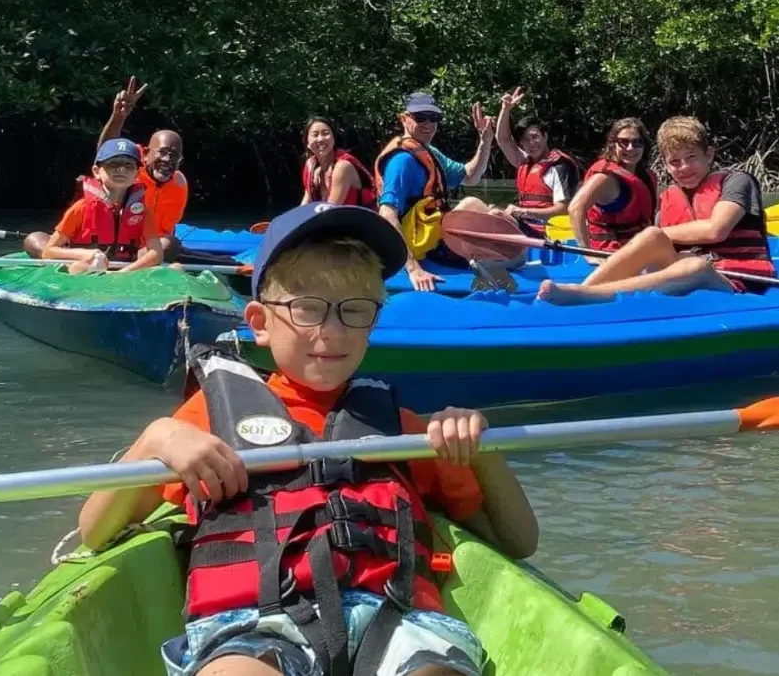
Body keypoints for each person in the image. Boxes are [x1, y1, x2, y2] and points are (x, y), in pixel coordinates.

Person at [78, 202, 538, 676]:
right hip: (252, 626)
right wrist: (155, 439)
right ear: (259, 321)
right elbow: (94, 529)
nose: (332, 331)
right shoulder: (204, 419)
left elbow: (518, 540)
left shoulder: (405, 430)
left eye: (355, 310)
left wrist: (480, 449)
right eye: (308, 309)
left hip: (398, 620)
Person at [538, 116, 776, 304]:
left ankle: (592, 296)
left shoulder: (737, 181)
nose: (683, 167)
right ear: (665, 165)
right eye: (674, 161)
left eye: (691, 157)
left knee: (693, 264)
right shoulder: (669, 197)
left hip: (740, 281)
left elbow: (717, 230)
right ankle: (585, 288)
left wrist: (663, 235)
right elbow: (659, 242)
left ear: (709, 154)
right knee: (653, 236)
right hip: (686, 269)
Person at [24, 77, 188, 259]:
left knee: (171, 244)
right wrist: (119, 116)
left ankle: (132, 260)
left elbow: (159, 243)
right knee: (34, 239)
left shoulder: (177, 184)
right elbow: (108, 149)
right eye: (162, 152)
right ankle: (73, 256)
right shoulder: (131, 165)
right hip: (89, 246)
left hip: (136, 250)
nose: (167, 160)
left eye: (174, 156)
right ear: (147, 153)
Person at [375, 92, 495, 291]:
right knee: (515, 257)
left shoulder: (428, 151)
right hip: (422, 247)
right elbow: (387, 214)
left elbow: (470, 176)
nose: (428, 124)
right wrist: (413, 269)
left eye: (434, 118)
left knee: (473, 204)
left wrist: (485, 141)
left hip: (434, 235)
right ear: (404, 118)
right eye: (420, 117)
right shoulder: (401, 161)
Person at [42, 138, 164, 274]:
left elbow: (156, 253)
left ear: (136, 174)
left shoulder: (142, 211)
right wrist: (83, 254)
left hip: (124, 271)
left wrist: (123, 273)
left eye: (129, 165)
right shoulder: (81, 208)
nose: (121, 169)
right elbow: (48, 251)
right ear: (96, 171)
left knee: (176, 268)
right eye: (113, 163)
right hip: (88, 266)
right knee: (79, 267)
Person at [494, 87, 578, 232]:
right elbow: (503, 139)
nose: (531, 143)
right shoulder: (524, 162)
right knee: (479, 207)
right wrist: (505, 109)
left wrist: (524, 212)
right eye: (525, 140)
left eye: (535, 136)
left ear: (545, 136)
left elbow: (564, 209)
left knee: (495, 215)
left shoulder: (559, 168)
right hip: (527, 227)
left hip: (547, 232)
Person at [568, 118, 657, 253]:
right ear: (613, 144)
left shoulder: (647, 176)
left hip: (639, 250)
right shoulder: (605, 178)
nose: (630, 148)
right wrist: (586, 253)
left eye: (637, 142)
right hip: (610, 254)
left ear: (644, 145)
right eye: (624, 142)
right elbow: (575, 208)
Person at [300, 116, 377, 208]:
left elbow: (331, 210)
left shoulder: (342, 167)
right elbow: (305, 202)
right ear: (307, 143)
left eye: (325, 133)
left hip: (364, 220)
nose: (320, 139)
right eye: (315, 135)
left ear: (333, 138)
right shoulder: (310, 165)